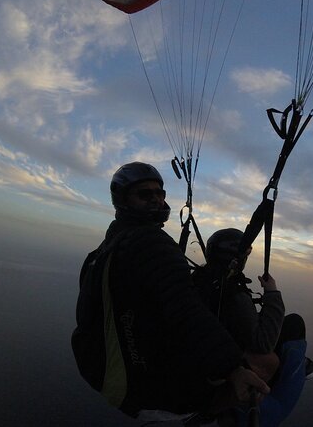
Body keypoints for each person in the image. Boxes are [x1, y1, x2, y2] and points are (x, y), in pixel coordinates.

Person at [71, 162, 269, 423]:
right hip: (154, 391)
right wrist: (233, 368)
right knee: (263, 365)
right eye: (145, 194)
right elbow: (186, 310)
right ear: (123, 200)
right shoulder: (151, 244)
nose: (156, 199)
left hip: (109, 377)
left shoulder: (105, 249)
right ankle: (202, 416)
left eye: (159, 193)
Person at [191, 228, 313, 426]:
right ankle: (300, 367)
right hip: (234, 359)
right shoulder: (232, 292)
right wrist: (272, 294)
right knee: (294, 323)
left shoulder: (199, 279)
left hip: (210, 351)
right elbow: (263, 343)